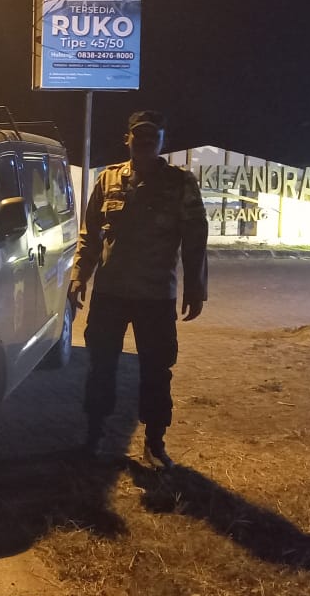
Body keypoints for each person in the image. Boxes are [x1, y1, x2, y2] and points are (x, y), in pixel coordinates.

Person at [67, 110, 208, 469]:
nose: (144, 142)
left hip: (155, 296)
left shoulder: (180, 183)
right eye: (138, 135)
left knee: (157, 370)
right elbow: (90, 233)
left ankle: (154, 444)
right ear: (127, 138)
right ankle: (94, 437)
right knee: (101, 366)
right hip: (110, 293)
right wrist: (79, 276)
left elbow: (195, 239)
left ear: (162, 141)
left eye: (152, 137)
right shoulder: (108, 179)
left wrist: (196, 288)